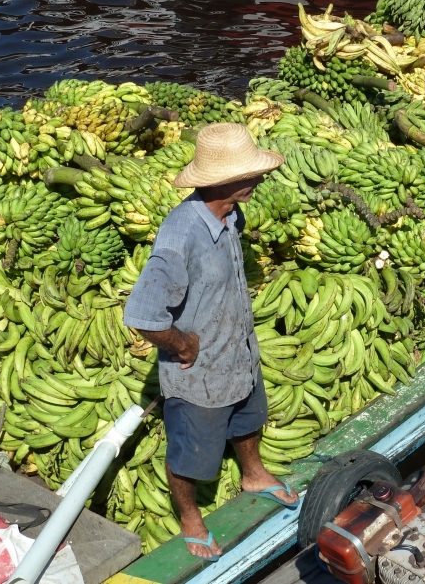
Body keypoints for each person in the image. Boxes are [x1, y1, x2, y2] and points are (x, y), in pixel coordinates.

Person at [123, 123, 299, 562]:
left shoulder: (231, 215)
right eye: (251, 174)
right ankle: (189, 517)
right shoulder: (180, 235)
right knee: (190, 453)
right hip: (198, 374)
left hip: (237, 351)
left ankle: (253, 474)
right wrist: (183, 346)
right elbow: (141, 314)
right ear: (221, 181)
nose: (261, 179)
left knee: (248, 415)